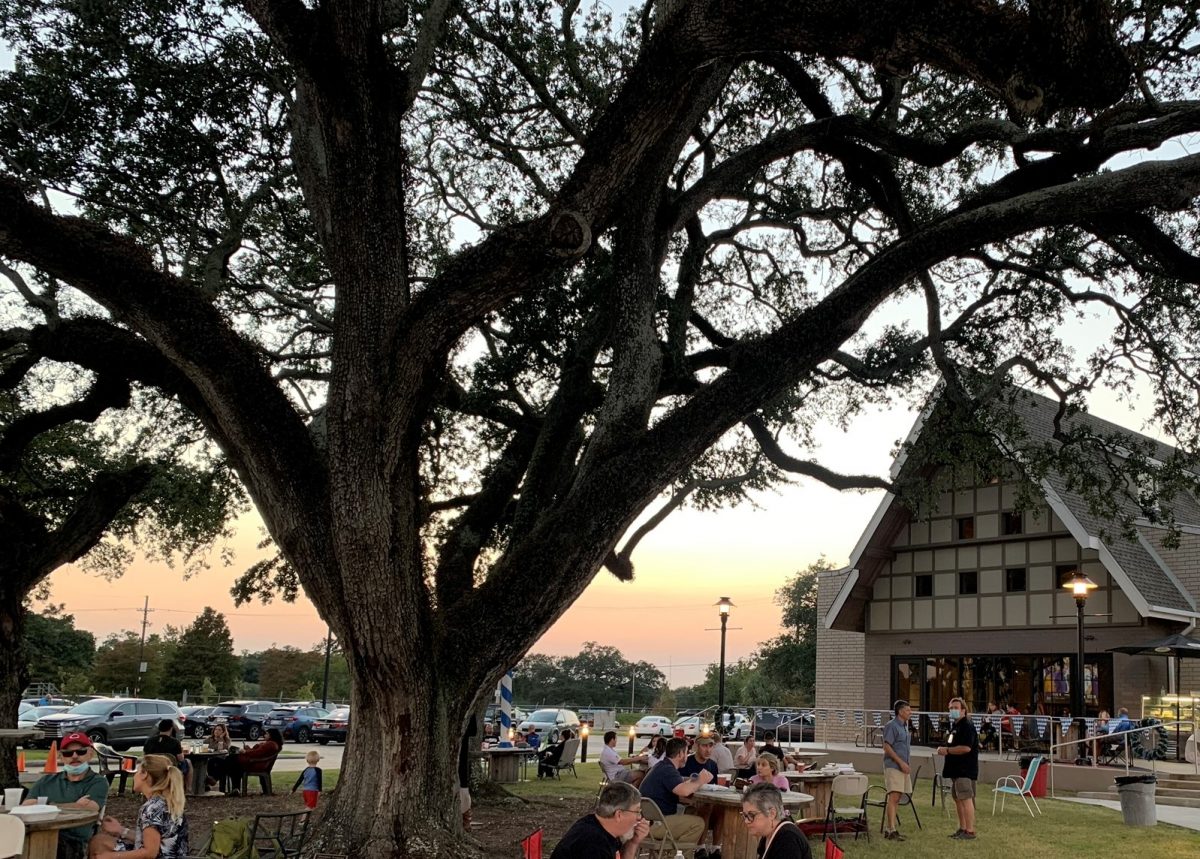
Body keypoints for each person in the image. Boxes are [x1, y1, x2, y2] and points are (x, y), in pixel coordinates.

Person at [22, 732, 109, 859]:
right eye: (68, 753)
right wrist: (74, 805)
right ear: (60, 756)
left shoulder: (98, 782)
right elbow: (26, 806)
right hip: (37, 834)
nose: (74, 756)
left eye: (81, 752)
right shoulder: (46, 781)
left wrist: (43, 805)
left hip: (72, 841)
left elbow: (90, 808)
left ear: (90, 754)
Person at [92, 754, 189, 859]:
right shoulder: (166, 803)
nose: (135, 776)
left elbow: (150, 853)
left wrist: (111, 856)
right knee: (99, 841)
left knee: (97, 848)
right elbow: (155, 841)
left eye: (137, 771)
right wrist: (121, 830)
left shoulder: (151, 809)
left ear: (144, 774)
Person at [548, 780, 650, 859]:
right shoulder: (593, 844)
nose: (639, 817)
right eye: (637, 812)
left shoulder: (597, 826)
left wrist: (633, 842)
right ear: (619, 815)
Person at [639, 738, 708, 852]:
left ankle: (671, 852)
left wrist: (689, 780)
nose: (687, 756)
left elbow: (678, 782)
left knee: (691, 811)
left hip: (648, 821)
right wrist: (701, 780)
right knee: (699, 823)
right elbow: (683, 792)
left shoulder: (661, 766)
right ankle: (674, 854)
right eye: (686, 752)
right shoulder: (668, 770)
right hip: (657, 825)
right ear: (680, 753)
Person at [938, 696, 979, 840]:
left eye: (956, 708)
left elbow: (966, 748)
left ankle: (970, 830)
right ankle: (962, 828)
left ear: (963, 710)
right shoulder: (955, 726)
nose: (953, 710)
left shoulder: (967, 725)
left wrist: (947, 751)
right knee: (958, 799)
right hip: (955, 770)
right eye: (950, 708)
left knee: (966, 798)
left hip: (965, 770)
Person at [741, 782, 812, 859]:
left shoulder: (788, 839)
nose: (746, 821)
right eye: (745, 815)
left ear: (772, 813)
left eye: (751, 815)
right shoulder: (770, 834)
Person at [679, 735, 723, 858]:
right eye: (704, 746)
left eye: (710, 746)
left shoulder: (712, 765)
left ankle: (715, 848)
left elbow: (714, 787)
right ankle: (700, 848)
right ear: (697, 746)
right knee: (706, 807)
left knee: (722, 808)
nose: (708, 750)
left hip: (709, 801)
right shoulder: (687, 762)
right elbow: (679, 786)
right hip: (689, 802)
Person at [206, 728, 282, 796]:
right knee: (229, 764)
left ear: (272, 735)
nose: (265, 735)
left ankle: (214, 779)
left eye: (267, 734)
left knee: (226, 760)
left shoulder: (271, 744)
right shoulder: (272, 744)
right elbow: (258, 752)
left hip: (253, 763)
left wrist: (245, 751)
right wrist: (248, 749)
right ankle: (234, 788)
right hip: (252, 762)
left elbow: (258, 753)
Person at [881, 699, 912, 841]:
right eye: (907, 710)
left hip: (903, 766)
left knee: (898, 797)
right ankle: (890, 829)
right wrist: (900, 762)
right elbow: (887, 746)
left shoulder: (905, 726)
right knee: (893, 797)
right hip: (894, 766)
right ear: (900, 711)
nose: (910, 712)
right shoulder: (891, 726)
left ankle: (892, 828)